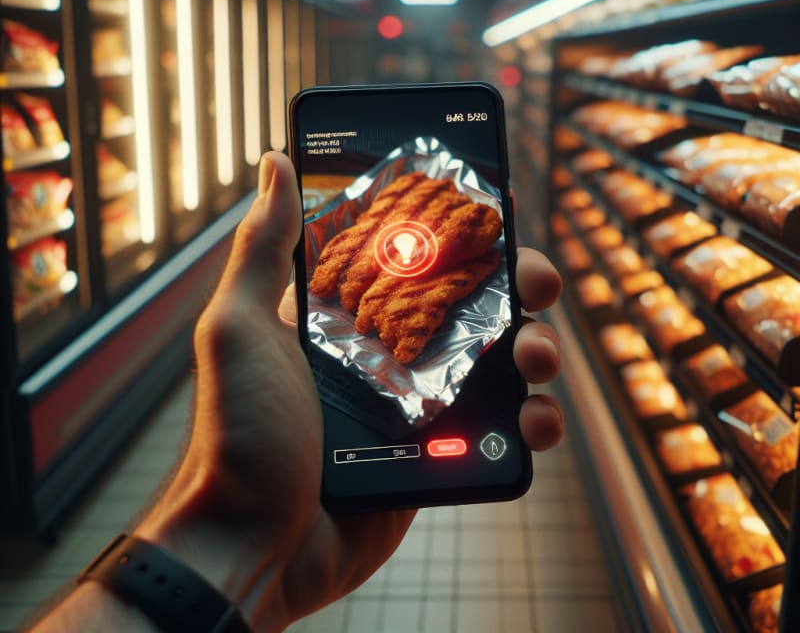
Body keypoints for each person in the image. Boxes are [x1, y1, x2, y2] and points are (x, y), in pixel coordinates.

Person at [29, 151, 564, 633]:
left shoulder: (446, 244)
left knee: (493, 273)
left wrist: (214, 554)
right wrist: (232, 533)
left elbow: (469, 256)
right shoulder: (384, 253)